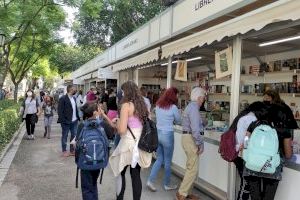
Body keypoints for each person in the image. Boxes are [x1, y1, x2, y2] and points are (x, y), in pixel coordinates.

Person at [108, 81, 152, 200]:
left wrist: (118, 123)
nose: (121, 93)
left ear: (126, 92)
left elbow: (122, 130)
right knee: (136, 175)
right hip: (140, 143)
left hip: (128, 142)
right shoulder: (144, 104)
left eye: (122, 91)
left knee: (120, 172)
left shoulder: (126, 105)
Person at [243, 102, 293, 200]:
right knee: (268, 198)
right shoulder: (284, 129)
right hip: (272, 168)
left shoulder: (254, 125)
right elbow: (288, 155)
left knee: (255, 197)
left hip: (252, 165)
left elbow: (245, 143)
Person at [229, 102, 269, 200]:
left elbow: (241, 139)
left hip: (242, 155)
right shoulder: (253, 120)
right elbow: (245, 141)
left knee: (246, 185)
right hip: (247, 157)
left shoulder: (243, 117)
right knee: (248, 185)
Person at [75, 103, 115, 200]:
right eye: (99, 109)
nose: (100, 111)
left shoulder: (81, 125)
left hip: (85, 161)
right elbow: (112, 134)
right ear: (94, 113)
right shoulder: (102, 124)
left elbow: (78, 141)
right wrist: (105, 117)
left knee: (87, 187)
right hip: (99, 160)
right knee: (93, 184)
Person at [147, 87, 181, 192]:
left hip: (158, 134)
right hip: (167, 135)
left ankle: (150, 180)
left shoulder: (158, 105)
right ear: (173, 96)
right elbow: (179, 121)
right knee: (167, 161)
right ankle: (166, 184)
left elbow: (155, 117)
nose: (178, 96)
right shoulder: (173, 107)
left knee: (159, 159)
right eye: (177, 95)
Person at [176, 87, 206, 200]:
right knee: (192, 168)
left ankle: (187, 192)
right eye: (203, 97)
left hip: (187, 138)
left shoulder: (191, 107)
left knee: (191, 166)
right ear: (199, 98)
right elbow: (195, 129)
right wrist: (200, 143)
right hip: (191, 139)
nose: (203, 100)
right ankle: (182, 193)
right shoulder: (194, 108)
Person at [57, 85, 80, 157]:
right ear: (70, 89)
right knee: (65, 136)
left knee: (74, 136)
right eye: (74, 89)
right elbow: (60, 111)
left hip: (74, 121)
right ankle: (64, 150)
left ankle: (72, 150)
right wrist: (63, 120)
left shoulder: (74, 98)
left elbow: (75, 109)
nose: (75, 90)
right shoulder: (62, 98)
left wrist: (77, 117)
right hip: (66, 122)